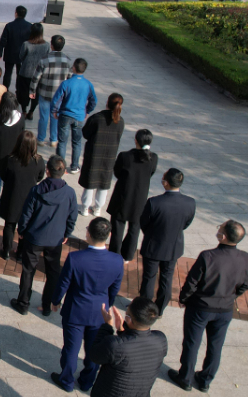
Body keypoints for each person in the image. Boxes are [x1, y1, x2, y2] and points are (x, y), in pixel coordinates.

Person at [169, 220, 248, 392]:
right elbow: (244, 285)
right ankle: (205, 380)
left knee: (192, 343)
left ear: (223, 236)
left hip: (200, 308)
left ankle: (185, 377)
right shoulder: (246, 258)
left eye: (220, 228)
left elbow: (192, 282)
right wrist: (230, 297)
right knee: (215, 346)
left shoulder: (208, 256)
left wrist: (184, 299)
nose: (218, 229)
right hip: (225, 310)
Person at [50, 217, 124, 393]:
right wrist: (107, 305)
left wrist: (55, 300)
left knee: (71, 349)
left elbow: (63, 283)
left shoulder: (75, 258)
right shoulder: (117, 260)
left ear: (88, 234)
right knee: (94, 349)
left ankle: (67, 380)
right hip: (100, 311)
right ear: (109, 235)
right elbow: (114, 289)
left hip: (75, 309)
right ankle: (87, 381)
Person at [11, 155, 79, 315]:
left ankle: (23, 303)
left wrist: (22, 230)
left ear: (47, 171)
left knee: (28, 270)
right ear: (64, 172)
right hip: (55, 239)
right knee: (53, 272)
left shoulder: (36, 190)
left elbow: (26, 213)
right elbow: (72, 216)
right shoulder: (69, 193)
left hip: (34, 238)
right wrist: (67, 233)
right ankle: (47, 306)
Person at [138, 168, 196, 315]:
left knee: (149, 278)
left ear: (166, 183)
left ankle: (144, 308)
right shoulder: (190, 202)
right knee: (166, 279)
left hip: (153, 246)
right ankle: (159, 309)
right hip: (173, 247)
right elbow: (186, 223)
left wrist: (151, 234)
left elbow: (144, 223)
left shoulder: (154, 202)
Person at [107, 130, 157, 261]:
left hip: (122, 196)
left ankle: (115, 254)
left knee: (117, 228)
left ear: (136, 140)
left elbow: (117, 173)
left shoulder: (125, 156)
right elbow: (151, 173)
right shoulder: (153, 158)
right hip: (140, 198)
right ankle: (128, 255)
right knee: (134, 229)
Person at [0, 131, 46, 259]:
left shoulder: (9, 160)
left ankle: (6, 251)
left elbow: (3, 176)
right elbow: (40, 177)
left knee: (9, 225)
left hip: (12, 197)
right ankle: (20, 253)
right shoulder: (39, 161)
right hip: (29, 199)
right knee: (25, 227)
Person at [79, 93, 126, 217]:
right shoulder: (120, 122)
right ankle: (98, 208)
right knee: (103, 183)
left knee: (90, 181)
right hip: (109, 156)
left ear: (107, 103)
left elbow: (86, 133)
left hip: (94, 154)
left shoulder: (97, 118)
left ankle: (85, 207)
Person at [51, 58, 97, 171]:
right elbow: (93, 101)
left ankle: (60, 167)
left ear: (74, 68)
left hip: (65, 115)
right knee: (76, 142)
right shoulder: (88, 84)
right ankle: (74, 166)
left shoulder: (66, 83)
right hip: (79, 116)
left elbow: (56, 100)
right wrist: (87, 111)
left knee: (62, 142)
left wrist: (54, 111)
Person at [0, 91, 25, 208]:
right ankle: (6, 201)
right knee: (9, 179)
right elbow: (22, 135)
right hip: (13, 154)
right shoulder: (21, 118)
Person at [35, 35, 71, 146]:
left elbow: (36, 77)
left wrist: (32, 90)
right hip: (59, 95)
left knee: (43, 117)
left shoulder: (44, 59)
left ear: (51, 45)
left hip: (45, 93)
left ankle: (41, 139)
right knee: (55, 116)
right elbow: (69, 79)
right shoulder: (68, 61)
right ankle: (54, 139)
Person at [16, 23, 48, 118]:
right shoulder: (46, 45)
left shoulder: (26, 44)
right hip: (39, 74)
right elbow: (47, 58)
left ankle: (24, 110)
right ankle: (31, 111)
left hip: (26, 72)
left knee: (24, 92)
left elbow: (21, 56)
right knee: (36, 93)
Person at [0, 6, 32, 89]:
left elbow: (3, 40)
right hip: (23, 54)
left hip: (10, 53)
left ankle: (5, 89)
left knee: (8, 73)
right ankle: (18, 90)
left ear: (16, 13)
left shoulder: (9, 25)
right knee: (20, 74)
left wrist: (0, 53)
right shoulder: (30, 26)